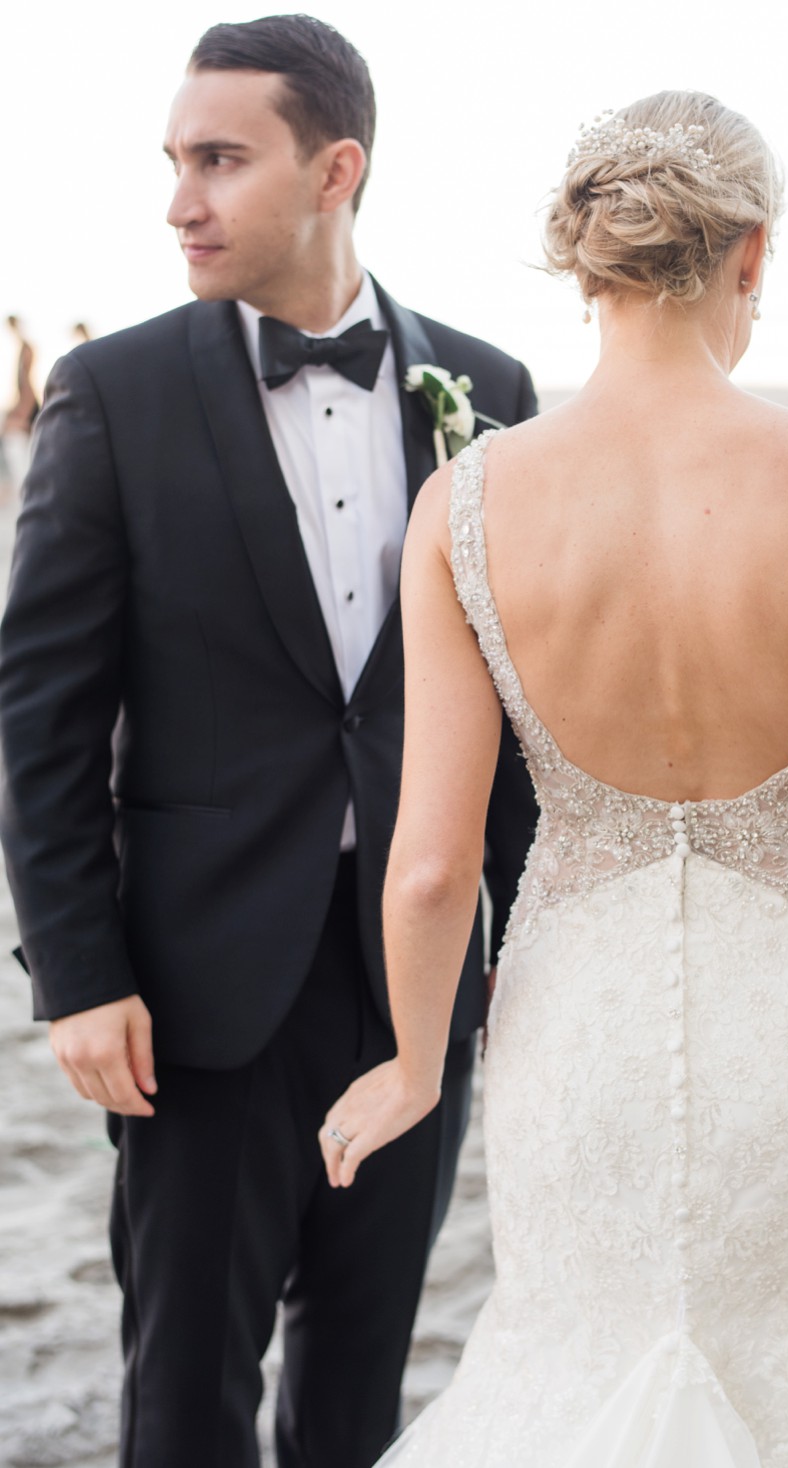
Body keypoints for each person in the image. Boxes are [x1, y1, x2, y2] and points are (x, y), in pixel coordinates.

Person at [322, 92, 788, 1466]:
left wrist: (414, 1066)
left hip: (579, 1031)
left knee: (570, 1365)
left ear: (587, 262)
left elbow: (432, 865)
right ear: (750, 254)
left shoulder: (469, 504)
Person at [0, 16, 536, 1468]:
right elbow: (41, 712)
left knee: (358, 1393)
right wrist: (81, 975)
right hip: (195, 1001)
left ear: (335, 168)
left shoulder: (489, 395)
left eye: (221, 161)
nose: (181, 199)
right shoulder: (112, 398)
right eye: (176, 163)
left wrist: (519, 951)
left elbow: (521, 711)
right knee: (184, 1398)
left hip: (417, 993)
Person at [2, 314, 39, 496]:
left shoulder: (26, 348)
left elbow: (27, 386)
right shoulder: (22, 347)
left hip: (30, 407)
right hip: (25, 404)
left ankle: (22, 489)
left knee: (12, 437)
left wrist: (22, 415)